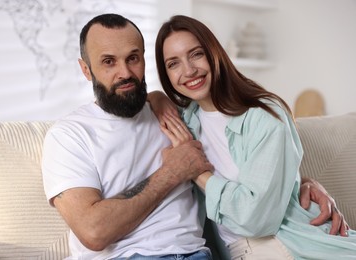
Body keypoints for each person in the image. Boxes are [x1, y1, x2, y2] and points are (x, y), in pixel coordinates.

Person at [42, 13, 349, 260]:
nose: (124, 72)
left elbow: (252, 182)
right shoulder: (73, 135)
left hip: (235, 249)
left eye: (133, 58)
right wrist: (174, 169)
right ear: (86, 70)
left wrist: (300, 181)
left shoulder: (197, 116)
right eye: (108, 62)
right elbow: (93, 231)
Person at [154, 14, 356, 259]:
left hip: (288, 243)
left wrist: (196, 171)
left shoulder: (265, 114)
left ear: (214, 52)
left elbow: (256, 219)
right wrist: (155, 97)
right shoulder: (185, 122)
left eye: (196, 54)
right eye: (173, 64)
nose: (188, 70)